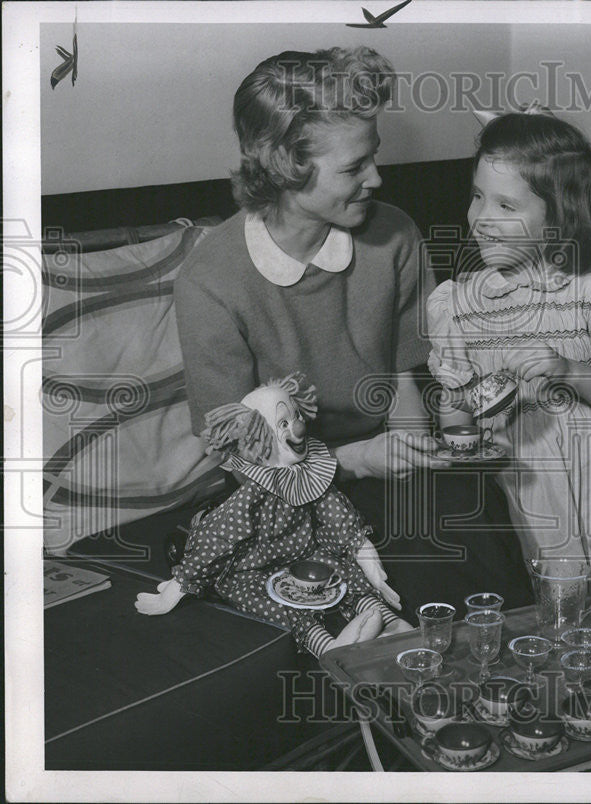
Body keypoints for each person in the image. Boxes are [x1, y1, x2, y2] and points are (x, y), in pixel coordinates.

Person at [174, 47, 533, 626]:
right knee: (400, 573)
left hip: (379, 458)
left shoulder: (394, 235)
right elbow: (239, 452)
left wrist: (417, 462)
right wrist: (359, 462)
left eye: (374, 157)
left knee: (463, 517)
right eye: (353, 168)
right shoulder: (209, 280)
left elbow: (402, 373)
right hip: (277, 488)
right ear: (286, 168)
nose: (376, 178)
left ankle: (506, 689)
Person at [426, 108, 591, 589]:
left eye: (507, 207)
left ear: (560, 215)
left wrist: (568, 369)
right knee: (535, 599)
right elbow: (455, 405)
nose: (483, 220)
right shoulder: (457, 303)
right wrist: (461, 433)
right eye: (478, 198)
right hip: (516, 480)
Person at [135, 374, 411, 659]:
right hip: (254, 569)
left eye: (295, 416)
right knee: (266, 598)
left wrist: (370, 565)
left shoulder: (310, 474)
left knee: (344, 569)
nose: (298, 426)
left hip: (305, 555)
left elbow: (338, 518)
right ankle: (329, 648)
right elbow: (216, 541)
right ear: (260, 438)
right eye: (283, 423)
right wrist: (176, 589)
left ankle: (387, 621)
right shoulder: (252, 497)